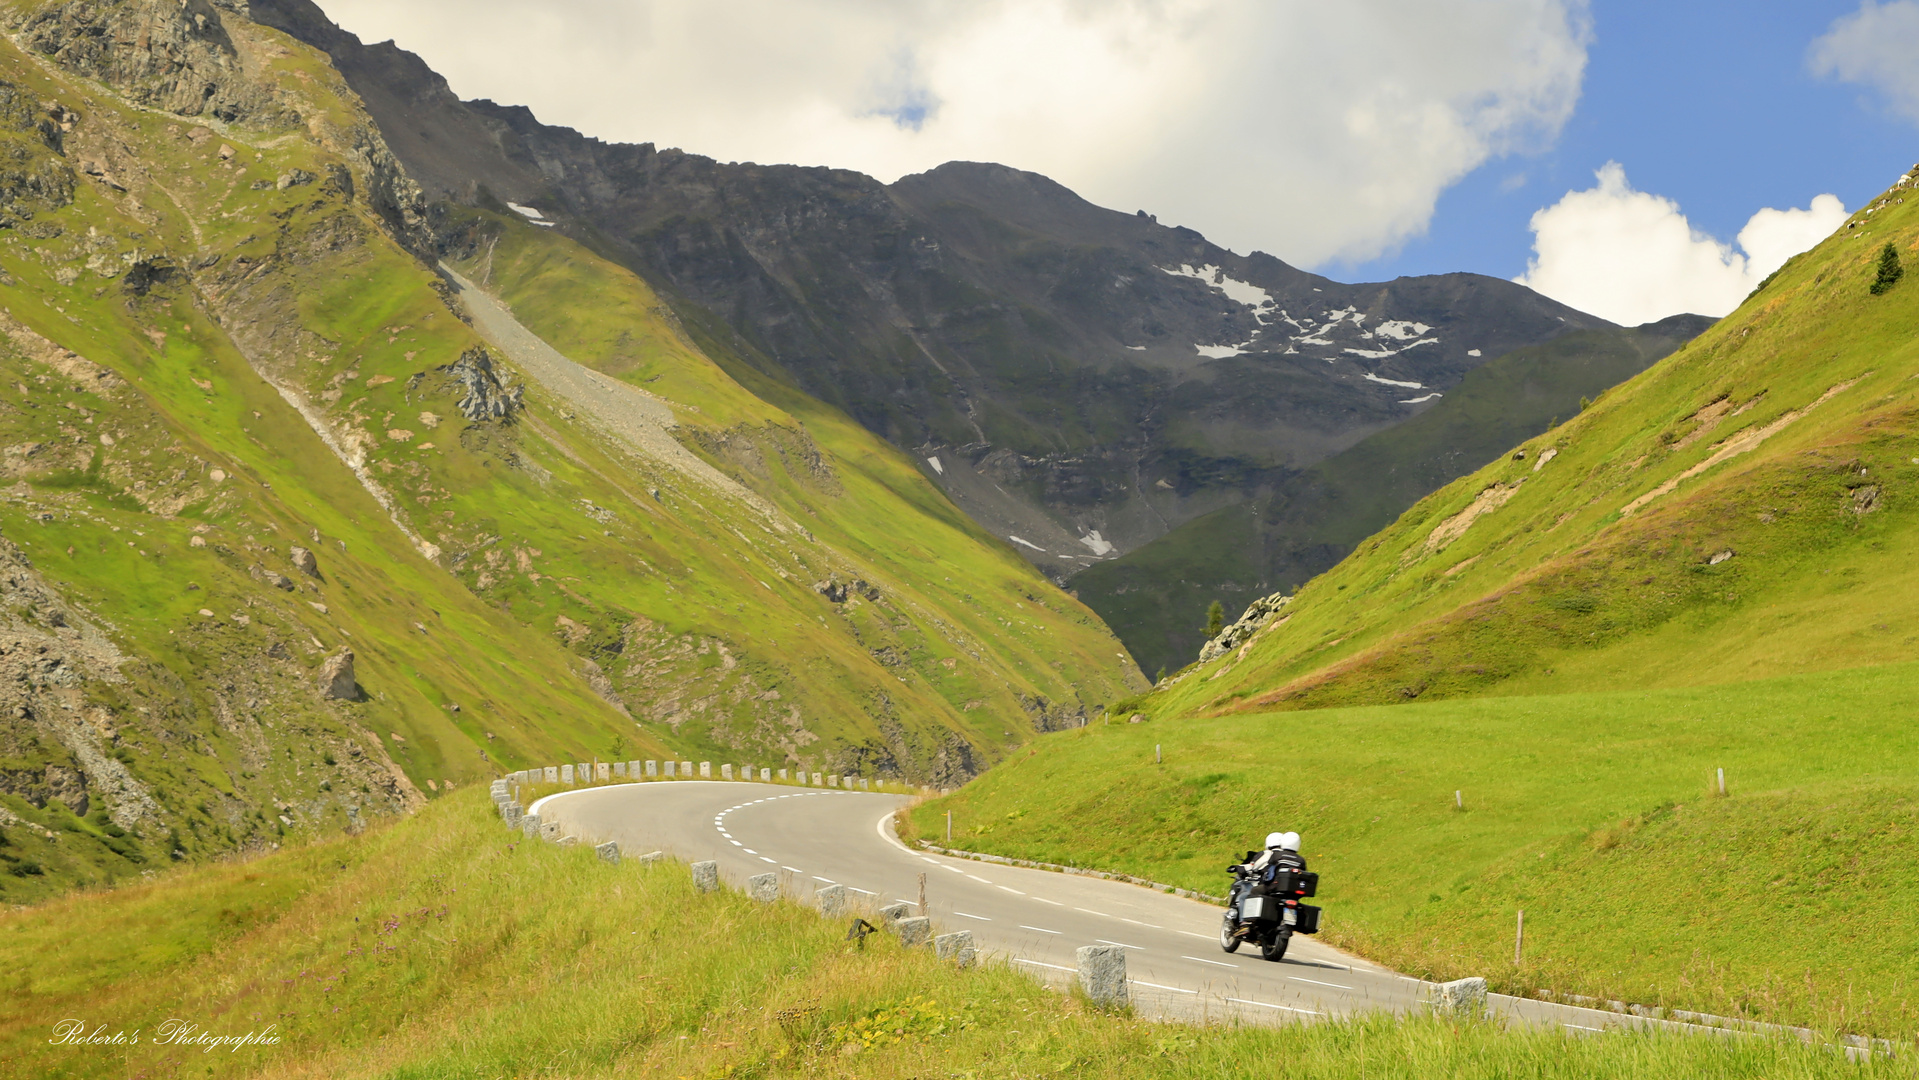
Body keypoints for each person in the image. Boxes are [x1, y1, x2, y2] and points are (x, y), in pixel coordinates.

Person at [1228, 832, 1305, 918]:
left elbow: (1267, 868)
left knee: (1248, 894)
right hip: (1292, 892)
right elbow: (1303, 873)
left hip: (1274, 887)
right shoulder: (1301, 859)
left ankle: (1247, 921)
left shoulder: (1275, 855)